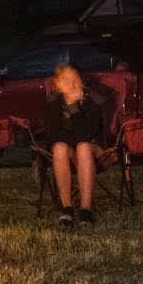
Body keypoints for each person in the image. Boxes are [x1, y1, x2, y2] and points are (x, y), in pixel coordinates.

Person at [44, 63, 106, 228]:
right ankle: (67, 208)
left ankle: (85, 209)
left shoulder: (93, 100)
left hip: (95, 151)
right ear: (58, 84)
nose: (71, 83)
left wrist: (73, 106)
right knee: (59, 147)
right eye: (66, 80)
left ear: (81, 80)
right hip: (69, 150)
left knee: (83, 147)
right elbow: (52, 135)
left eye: (75, 79)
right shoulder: (53, 102)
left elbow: (87, 135)